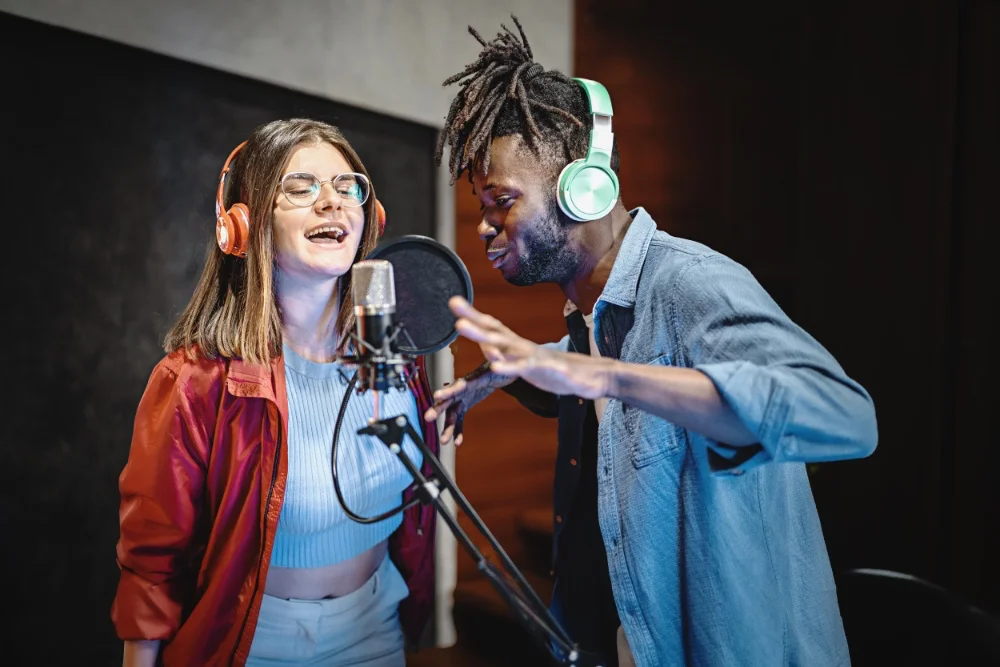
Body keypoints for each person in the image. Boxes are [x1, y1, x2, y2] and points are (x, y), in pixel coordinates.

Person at [425, 16, 878, 667]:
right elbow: (597, 375)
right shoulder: (593, 319)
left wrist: (609, 375)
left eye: (502, 200)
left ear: (585, 187)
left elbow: (846, 415)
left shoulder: (693, 281)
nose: (487, 229)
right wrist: (508, 373)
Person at [111, 118, 438, 667]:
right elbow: (152, 562)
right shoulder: (195, 380)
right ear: (245, 224)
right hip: (253, 639)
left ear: (368, 218)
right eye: (301, 187)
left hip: (377, 625)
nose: (331, 203)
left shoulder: (400, 354)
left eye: (346, 187)